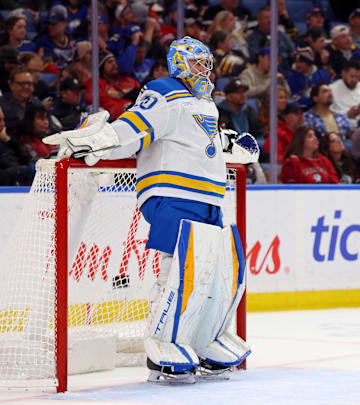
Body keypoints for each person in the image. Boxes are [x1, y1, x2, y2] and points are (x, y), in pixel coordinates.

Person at [43, 36, 254, 384]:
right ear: (181, 65)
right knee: (180, 271)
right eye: (200, 63)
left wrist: (230, 143)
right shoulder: (164, 91)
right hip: (173, 194)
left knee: (215, 270)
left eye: (207, 64)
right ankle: (163, 343)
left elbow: (204, 143)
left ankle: (202, 338)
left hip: (210, 199)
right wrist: (97, 140)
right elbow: (136, 126)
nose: (207, 70)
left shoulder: (206, 104)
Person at [85, 53, 140, 120]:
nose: (114, 64)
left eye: (115, 61)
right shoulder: (96, 82)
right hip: (118, 118)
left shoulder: (129, 80)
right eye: (110, 62)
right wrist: (125, 104)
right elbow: (99, 101)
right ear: (101, 67)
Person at [0, 67, 42, 135]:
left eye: (29, 83)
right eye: (22, 83)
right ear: (11, 84)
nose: (26, 87)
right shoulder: (2, 105)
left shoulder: (37, 103)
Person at [0, 106, 33, 185]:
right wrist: (17, 171)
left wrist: (8, 140)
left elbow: (26, 159)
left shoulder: (7, 138)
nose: (2, 124)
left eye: (3, 120)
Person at [329, 61, 360, 127]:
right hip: (340, 126)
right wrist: (347, 115)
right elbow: (326, 115)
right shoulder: (331, 89)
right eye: (352, 76)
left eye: (357, 77)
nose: (354, 80)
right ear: (343, 74)